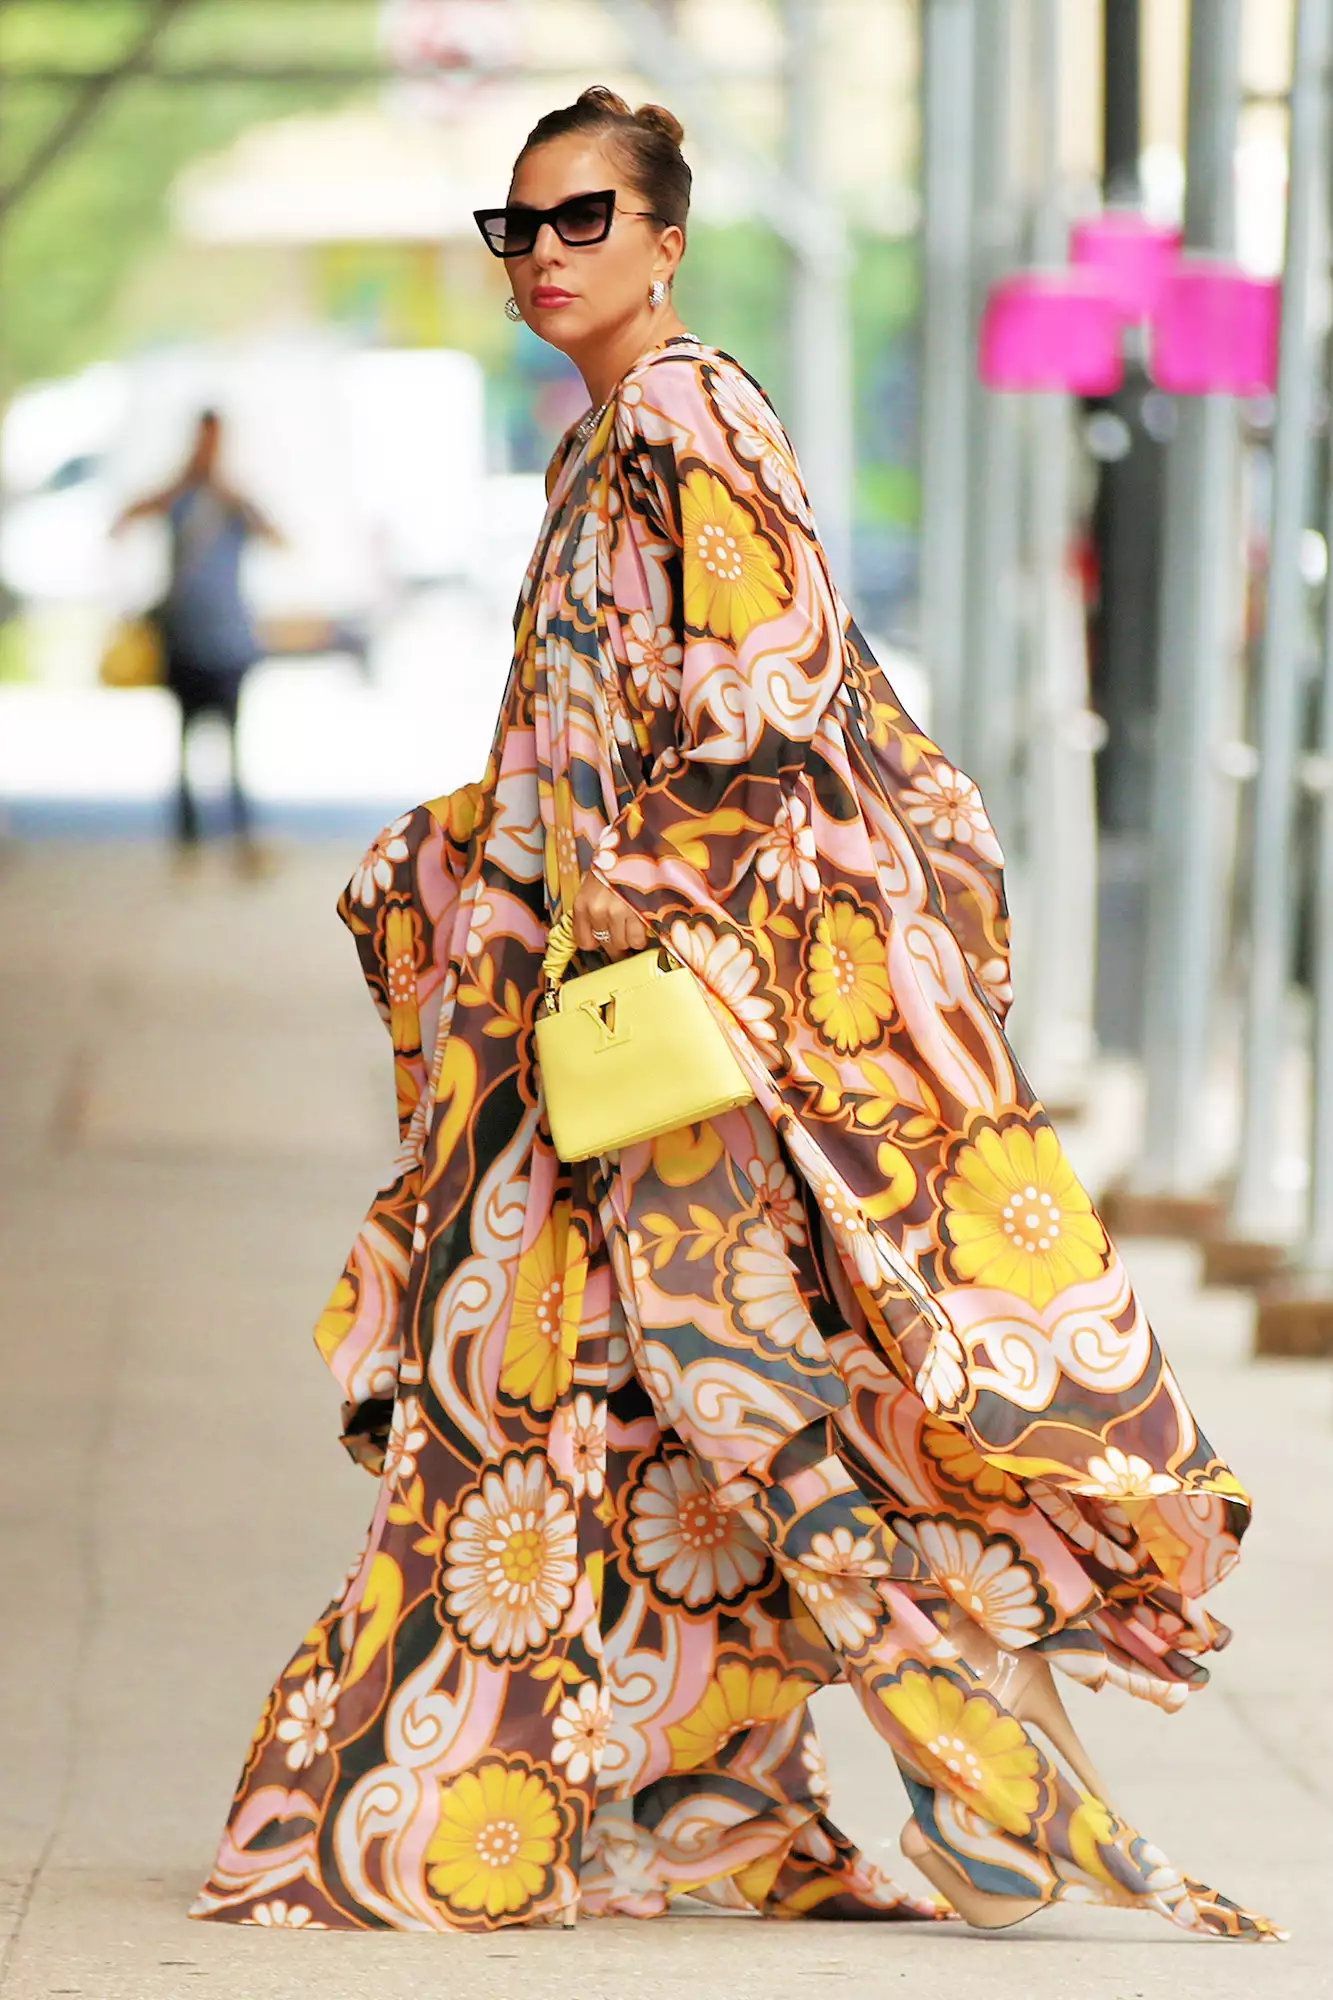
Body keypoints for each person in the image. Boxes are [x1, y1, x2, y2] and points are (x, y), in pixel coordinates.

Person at [191, 89, 1281, 1942]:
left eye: (582, 218)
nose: (542, 254)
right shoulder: (604, 442)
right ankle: (766, 1793)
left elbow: (764, 700)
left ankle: (977, 1792)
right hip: (607, 1030)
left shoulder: (691, 413)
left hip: (671, 1033)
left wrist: (622, 890)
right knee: (647, 1420)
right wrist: (477, 855)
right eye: (514, 226)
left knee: (726, 1402)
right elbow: (590, 741)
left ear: (666, 236)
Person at [113, 410, 279, 873]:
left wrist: (233, 497)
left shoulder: (233, 501)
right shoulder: (178, 496)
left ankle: (241, 838)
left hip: (228, 640)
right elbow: (125, 518)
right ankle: (188, 841)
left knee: (234, 745)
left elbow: (278, 536)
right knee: (184, 746)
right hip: (183, 635)